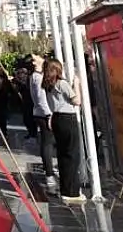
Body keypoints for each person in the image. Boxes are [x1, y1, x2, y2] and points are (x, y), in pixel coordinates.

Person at [42, 60, 86, 204]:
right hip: (67, 118)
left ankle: (65, 188)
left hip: (56, 118)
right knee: (72, 154)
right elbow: (76, 101)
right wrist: (77, 85)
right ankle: (72, 192)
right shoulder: (62, 83)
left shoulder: (47, 85)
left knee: (62, 154)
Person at [30, 55, 58, 192]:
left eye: (36, 58)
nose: (34, 62)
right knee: (47, 144)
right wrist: (49, 114)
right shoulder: (38, 77)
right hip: (44, 115)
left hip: (41, 113)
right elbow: (40, 98)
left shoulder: (38, 76)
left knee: (48, 144)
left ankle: (50, 171)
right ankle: (49, 174)